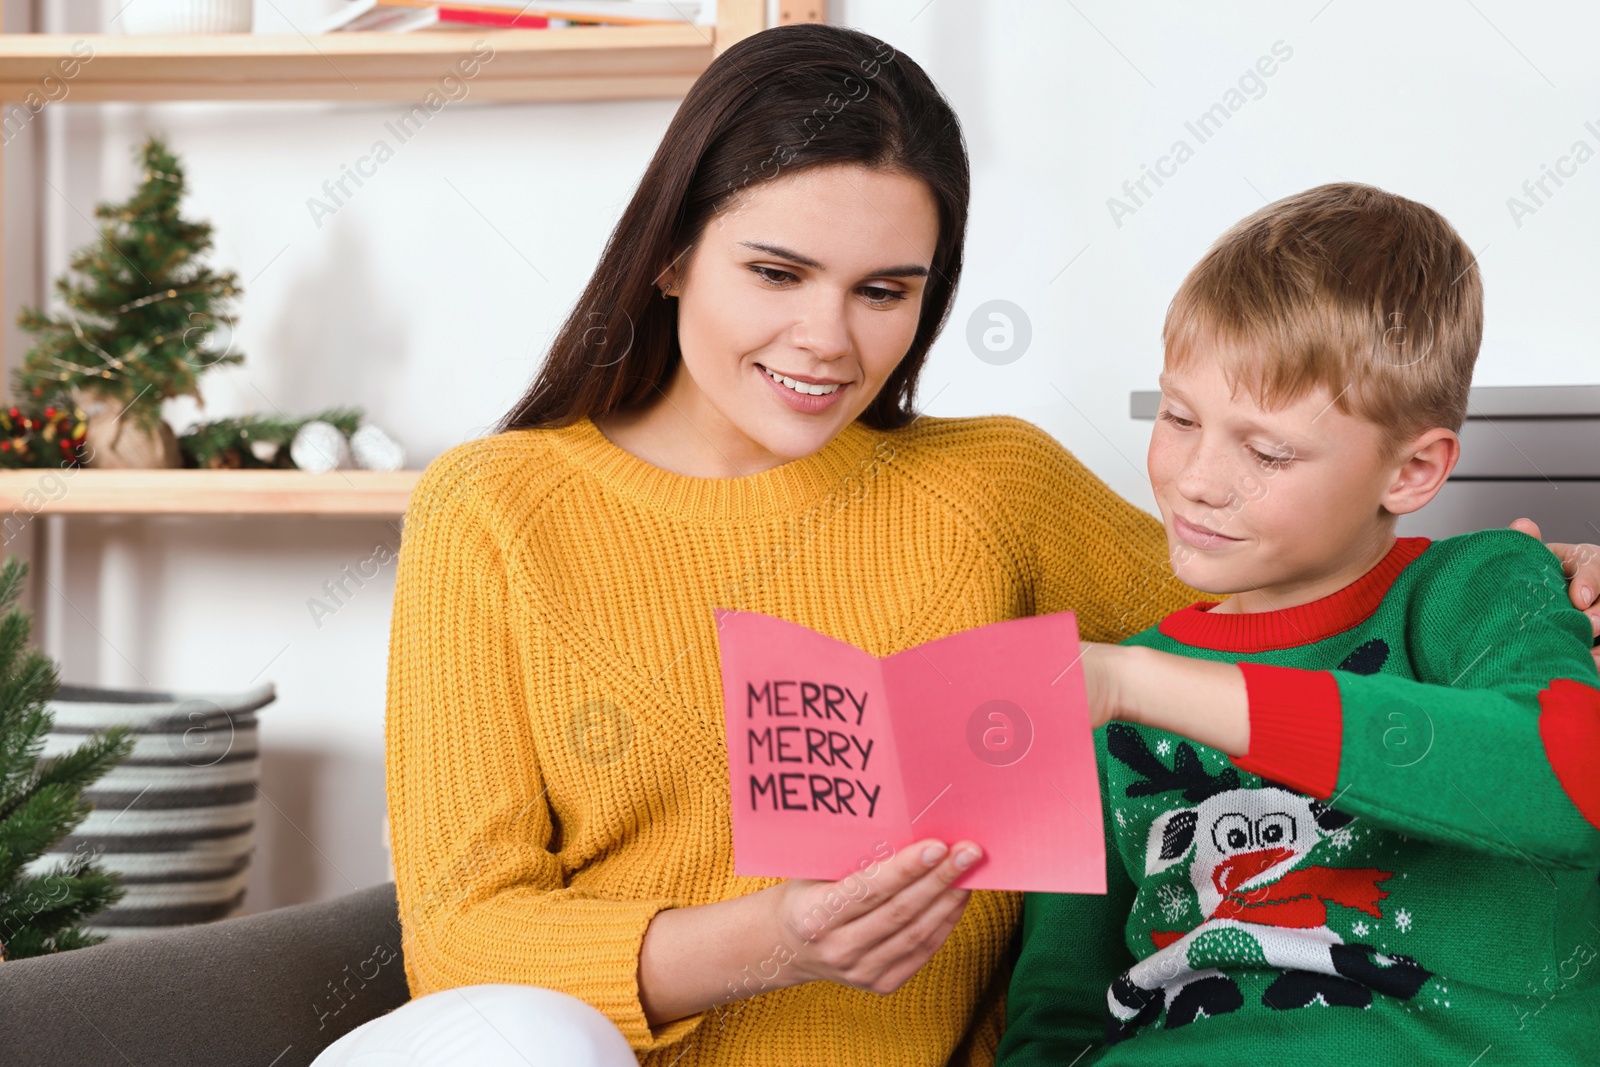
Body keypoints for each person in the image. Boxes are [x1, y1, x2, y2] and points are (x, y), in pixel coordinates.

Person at [315, 24, 1600, 1067]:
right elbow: (460, 937)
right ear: (668, 256)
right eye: (776, 272)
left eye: (886, 290)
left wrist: (1532, 578)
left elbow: (1295, 609)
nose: (828, 339)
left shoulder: (993, 487)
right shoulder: (494, 508)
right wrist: (773, 937)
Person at [997, 183, 1600, 1065]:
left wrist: (1134, 685)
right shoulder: (1108, 691)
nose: (1199, 480)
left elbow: (1566, 778)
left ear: (1412, 471)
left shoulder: (1479, 585)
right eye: (1178, 416)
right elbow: (1057, 1002)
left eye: (1268, 451)